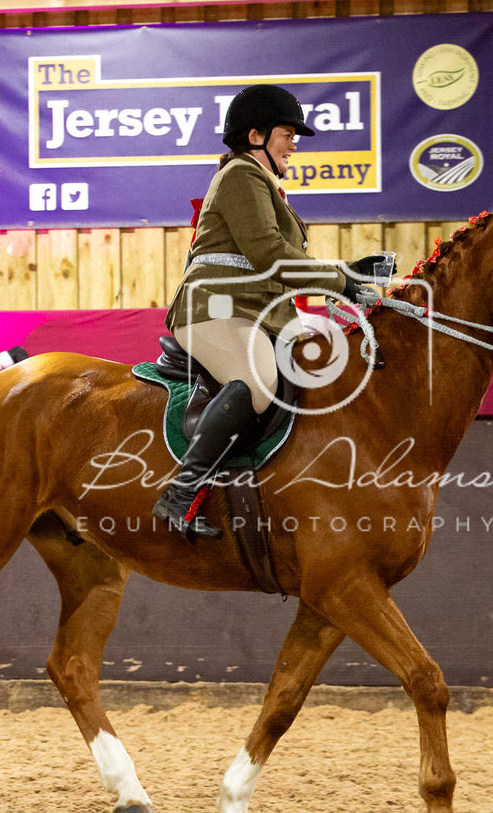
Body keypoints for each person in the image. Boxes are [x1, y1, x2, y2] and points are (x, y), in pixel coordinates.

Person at [154, 84, 383, 538]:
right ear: (254, 135)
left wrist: (348, 272)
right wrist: (342, 281)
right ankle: (179, 494)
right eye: (287, 133)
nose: (295, 143)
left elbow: (277, 260)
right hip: (215, 309)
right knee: (258, 385)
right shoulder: (241, 175)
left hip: (255, 311)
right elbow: (268, 254)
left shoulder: (263, 184)